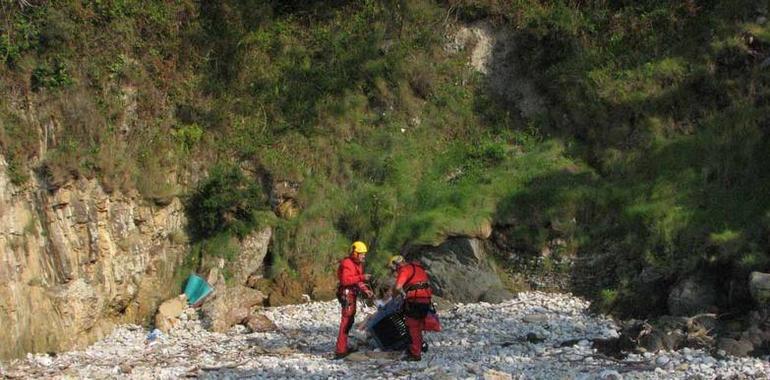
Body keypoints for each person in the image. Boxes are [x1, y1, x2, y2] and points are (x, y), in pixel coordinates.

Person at [388, 255, 433, 361]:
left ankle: (415, 353)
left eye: (394, 269)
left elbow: (398, 287)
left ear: (397, 265)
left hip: (415, 300)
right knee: (419, 324)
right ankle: (420, 345)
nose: (395, 272)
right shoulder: (418, 268)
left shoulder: (404, 270)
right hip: (426, 300)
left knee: (412, 326)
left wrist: (393, 298)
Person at [335, 241, 374, 359]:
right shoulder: (347, 263)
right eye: (361, 254)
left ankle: (342, 347)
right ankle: (341, 350)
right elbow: (345, 281)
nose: (363, 256)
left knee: (349, 321)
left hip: (352, 295)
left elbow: (357, 281)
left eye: (364, 254)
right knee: (346, 322)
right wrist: (362, 277)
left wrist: (365, 289)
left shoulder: (358, 264)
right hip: (347, 295)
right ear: (355, 253)